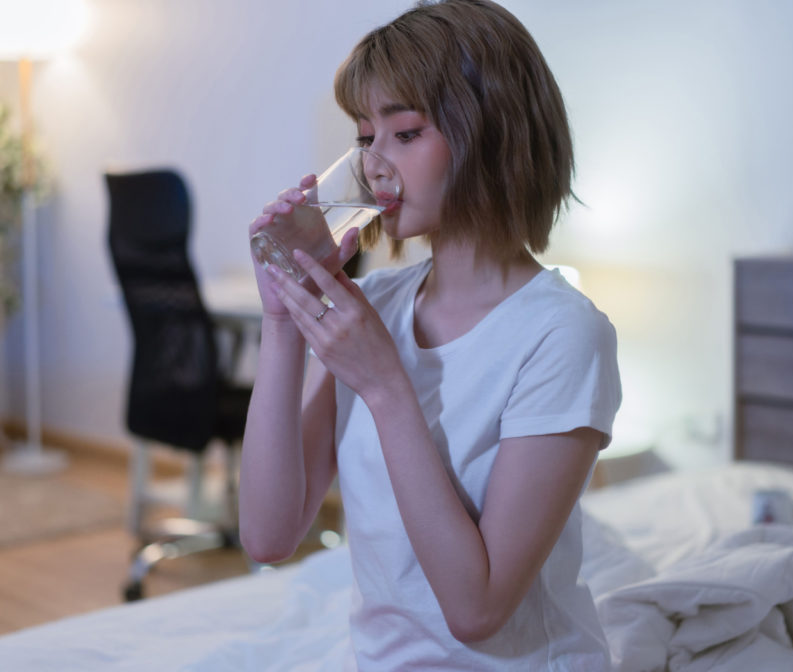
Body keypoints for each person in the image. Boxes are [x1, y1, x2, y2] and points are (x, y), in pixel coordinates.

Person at [239, 1, 621, 669]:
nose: (375, 164)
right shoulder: (377, 303)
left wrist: (387, 385)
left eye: (405, 133)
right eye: (364, 138)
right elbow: (268, 537)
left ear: (494, 133)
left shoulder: (564, 334)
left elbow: (477, 612)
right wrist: (284, 314)